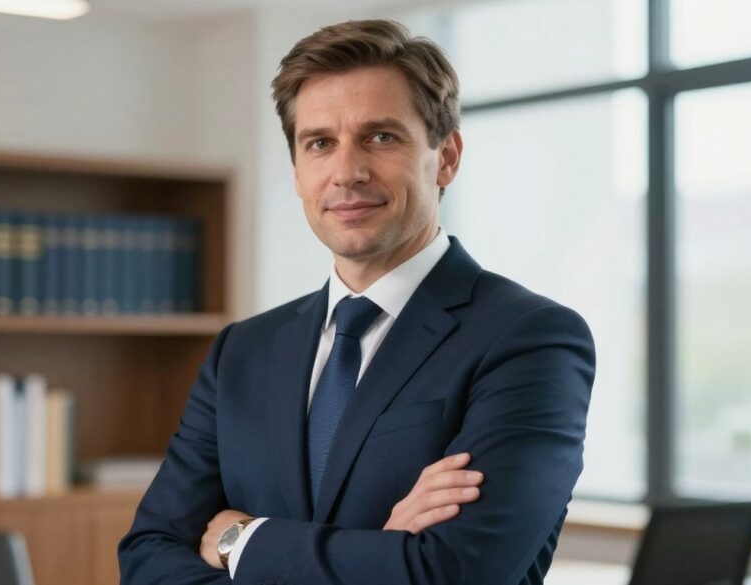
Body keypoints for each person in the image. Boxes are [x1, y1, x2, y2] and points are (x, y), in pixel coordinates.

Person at [118, 18, 594, 584]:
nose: (347, 172)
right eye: (320, 143)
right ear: (297, 171)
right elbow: (147, 556)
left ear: (446, 157)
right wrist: (378, 552)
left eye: (381, 137)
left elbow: (450, 574)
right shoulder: (242, 351)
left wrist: (238, 539)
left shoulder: (529, 339)